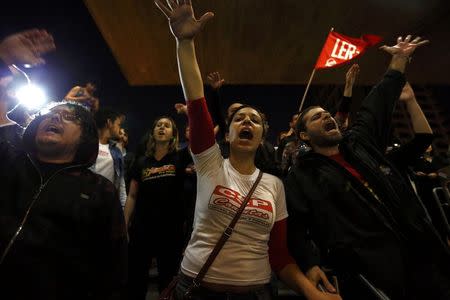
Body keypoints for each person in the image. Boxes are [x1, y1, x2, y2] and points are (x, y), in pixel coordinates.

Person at [155, 1, 341, 299]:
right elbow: (196, 102)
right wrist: (185, 43)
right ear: (226, 135)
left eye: (254, 120)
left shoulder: (275, 187)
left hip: (256, 292)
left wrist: (312, 293)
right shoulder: (210, 164)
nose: (246, 121)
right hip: (195, 289)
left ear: (261, 137)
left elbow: (279, 256)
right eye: (239, 119)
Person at [285, 35, 450, 299]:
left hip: (421, 250)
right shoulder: (301, 176)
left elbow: (376, 104)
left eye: (327, 113)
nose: (327, 115)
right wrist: (309, 263)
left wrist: (398, 60)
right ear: (304, 136)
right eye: (317, 117)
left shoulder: (360, 144)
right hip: (370, 270)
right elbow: (295, 226)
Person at [0, 101, 127, 300]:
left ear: (84, 136)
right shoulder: (10, 163)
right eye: (50, 113)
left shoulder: (99, 190)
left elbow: (112, 263)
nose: (55, 117)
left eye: (69, 117)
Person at [124, 116, 188, 299]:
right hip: (142, 228)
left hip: (170, 229)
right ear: (152, 132)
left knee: (168, 279)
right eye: (158, 125)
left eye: (167, 126)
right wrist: (124, 222)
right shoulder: (141, 162)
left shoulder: (180, 158)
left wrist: (188, 112)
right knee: (136, 278)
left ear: (173, 134)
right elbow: (132, 195)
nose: (161, 127)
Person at [92, 107, 127, 208]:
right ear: (109, 122)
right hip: (86, 202)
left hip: (108, 204)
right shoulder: (88, 145)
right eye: (118, 124)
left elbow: (121, 183)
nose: (119, 129)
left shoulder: (116, 151)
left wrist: (123, 207)